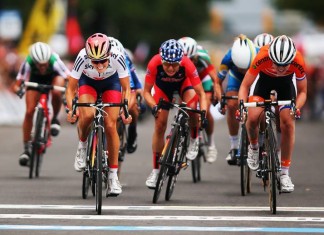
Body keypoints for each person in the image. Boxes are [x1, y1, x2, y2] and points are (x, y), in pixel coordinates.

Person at [65, 33, 132, 196]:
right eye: (95, 62)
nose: (100, 65)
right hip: (88, 83)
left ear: (109, 54)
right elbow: (70, 89)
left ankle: (113, 177)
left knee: (110, 125)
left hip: (112, 83)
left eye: (103, 61)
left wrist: (125, 109)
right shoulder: (82, 56)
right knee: (87, 115)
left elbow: (127, 89)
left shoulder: (117, 55)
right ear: (89, 57)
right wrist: (71, 110)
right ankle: (82, 146)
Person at [238, 35, 307, 193]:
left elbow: (303, 91)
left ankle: (284, 173)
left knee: (288, 123)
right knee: (253, 116)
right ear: (270, 57)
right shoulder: (262, 56)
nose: (281, 68)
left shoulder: (298, 59)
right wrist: (241, 106)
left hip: (286, 86)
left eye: (285, 65)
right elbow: (245, 86)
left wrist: (297, 107)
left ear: (291, 59)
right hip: (263, 83)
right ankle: (254, 147)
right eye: (277, 64)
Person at [143, 39, 207, 189]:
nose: (171, 68)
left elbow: (201, 94)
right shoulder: (154, 63)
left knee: (191, 107)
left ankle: (193, 138)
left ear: (180, 61)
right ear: (161, 59)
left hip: (184, 86)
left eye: (174, 65)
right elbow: (146, 92)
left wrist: (202, 113)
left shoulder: (187, 63)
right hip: (163, 89)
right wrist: (153, 106)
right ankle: (156, 171)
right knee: (160, 125)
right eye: (167, 64)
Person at [14, 42, 70, 167]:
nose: (43, 67)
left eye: (45, 64)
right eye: (39, 65)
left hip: (54, 79)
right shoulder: (28, 62)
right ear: (34, 61)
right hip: (35, 80)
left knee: (56, 91)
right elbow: (18, 83)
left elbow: (68, 77)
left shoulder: (54, 60)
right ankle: (26, 148)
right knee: (29, 111)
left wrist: (68, 92)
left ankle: (55, 118)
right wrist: (19, 90)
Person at [217, 34, 258, 165]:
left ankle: (261, 141)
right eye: (241, 68)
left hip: (256, 77)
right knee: (232, 104)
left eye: (247, 68)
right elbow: (217, 83)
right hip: (236, 79)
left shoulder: (259, 55)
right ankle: (234, 146)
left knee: (258, 106)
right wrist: (221, 100)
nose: (244, 71)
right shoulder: (228, 58)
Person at [178, 36, 219, 163]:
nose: (187, 62)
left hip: (203, 79)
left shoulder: (203, 57)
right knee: (185, 105)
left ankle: (211, 145)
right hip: (187, 80)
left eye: (190, 60)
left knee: (205, 107)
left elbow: (214, 78)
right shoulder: (176, 57)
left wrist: (217, 89)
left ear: (195, 56)